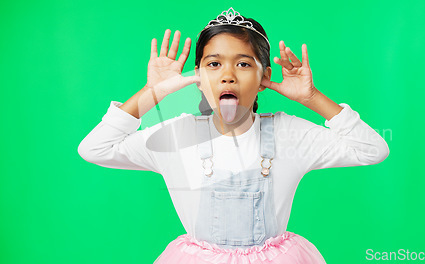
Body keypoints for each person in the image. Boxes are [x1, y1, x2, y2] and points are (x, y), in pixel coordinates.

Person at [78, 7, 390, 264]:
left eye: (243, 64)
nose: (228, 74)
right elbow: (95, 148)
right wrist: (151, 93)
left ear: (264, 76)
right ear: (198, 77)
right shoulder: (177, 135)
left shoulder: (288, 133)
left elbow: (371, 150)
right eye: (214, 64)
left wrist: (312, 98)